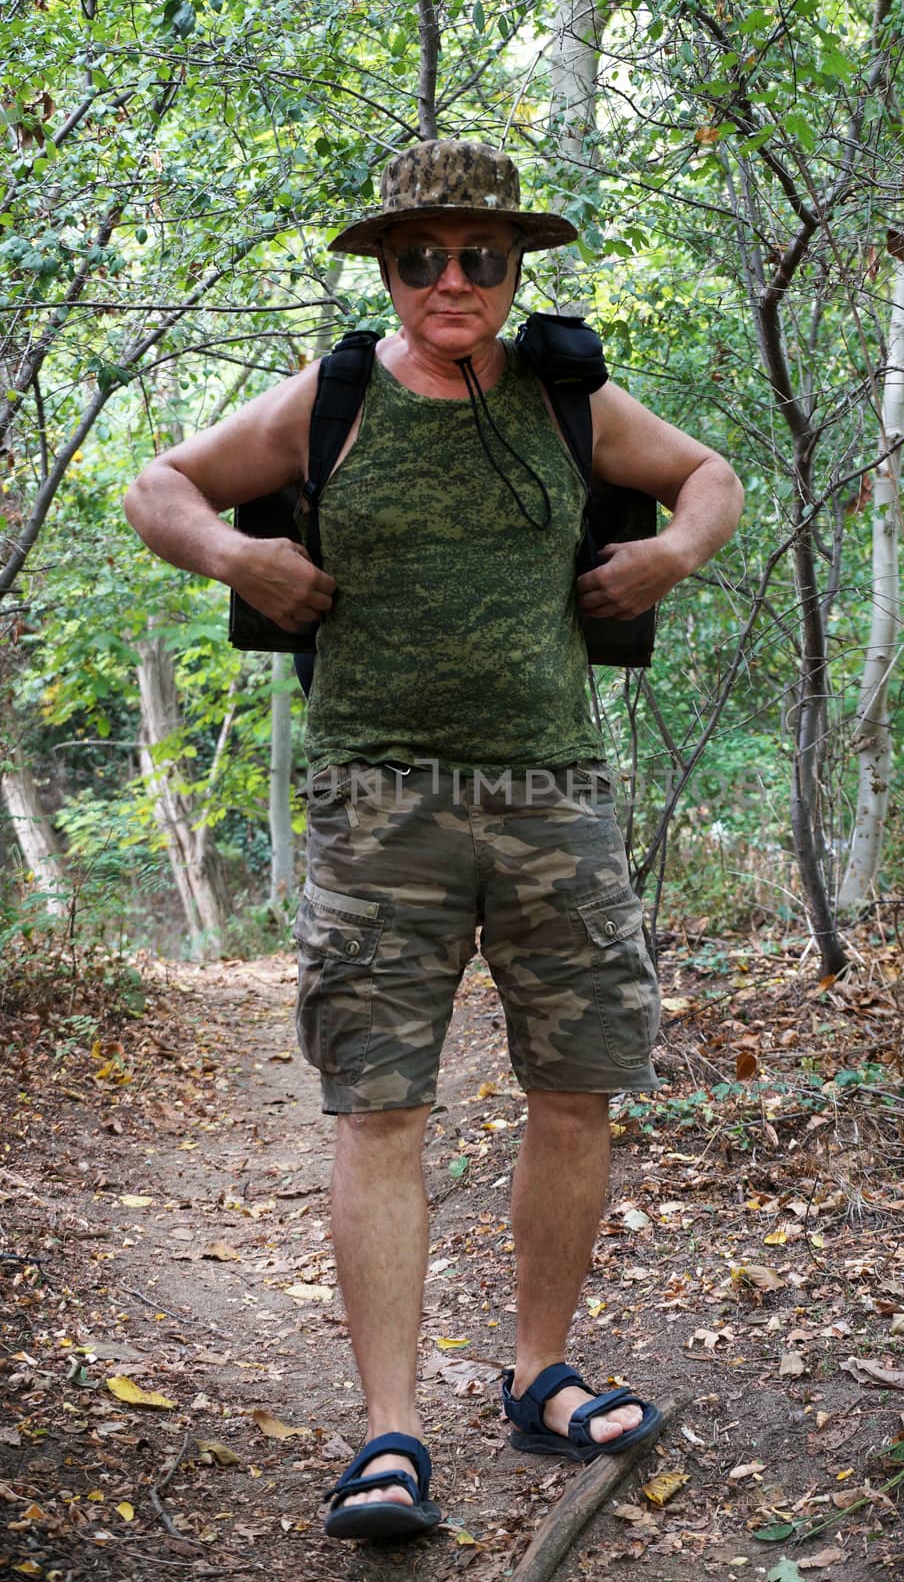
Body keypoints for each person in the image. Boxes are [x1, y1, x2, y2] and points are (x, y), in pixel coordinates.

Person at [125, 138, 743, 1541]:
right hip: (376, 803)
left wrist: (668, 554)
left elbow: (711, 476)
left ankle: (539, 1379)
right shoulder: (329, 399)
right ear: (387, 268)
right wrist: (237, 556)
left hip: (551, 798)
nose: (450, 280)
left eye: (480, 257)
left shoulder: (566, 399)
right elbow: (156, 486)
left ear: (516, 270)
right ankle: (389, 1435)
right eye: (422, 257)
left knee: (575, 1087)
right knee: (379, 1106)